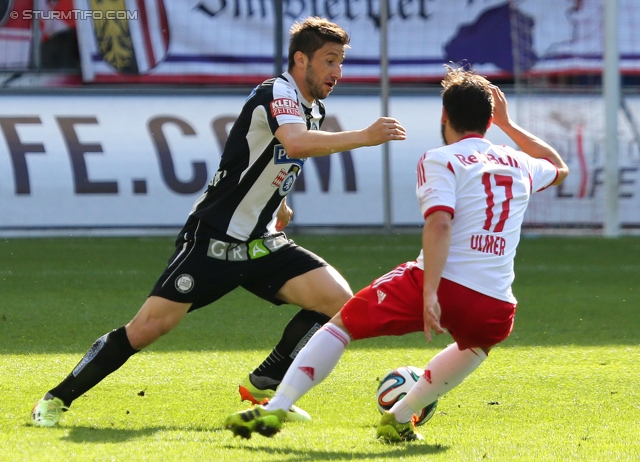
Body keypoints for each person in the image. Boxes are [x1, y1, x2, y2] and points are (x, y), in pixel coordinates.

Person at [30, 16, 407, 427]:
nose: (338, 72)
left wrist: (279, 203)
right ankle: (55, 399)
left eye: (341, 62)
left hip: (261, 241)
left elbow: (277, 158)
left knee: (338, 301)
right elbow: (295, 142)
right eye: (330, 61)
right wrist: (364, 136)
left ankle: (266, 382)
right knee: (147, 328)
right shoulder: (276, 92)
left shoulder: (312, 107)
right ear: (301, 59)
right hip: (214, 239)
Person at [224, 65, 569, 442]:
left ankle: (277, 406)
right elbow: (559, 167)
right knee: (475, 346)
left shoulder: (442, 159)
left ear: (444, 115)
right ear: (489, 120)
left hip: (442, 282)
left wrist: (431, 292)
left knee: (340, 325)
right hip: (496, 302)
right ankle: (401, 416)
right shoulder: (517, 162)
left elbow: (439, 224)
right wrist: (509, 124)